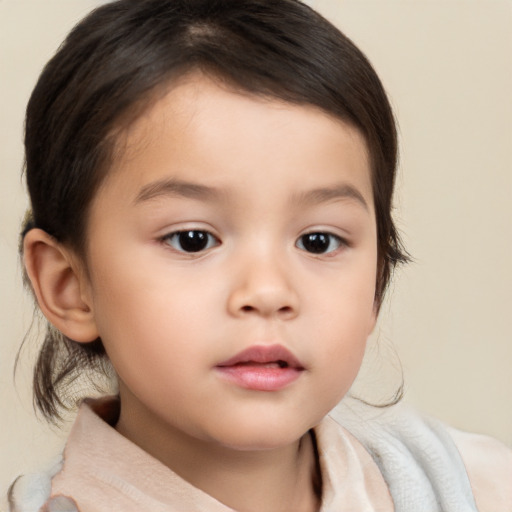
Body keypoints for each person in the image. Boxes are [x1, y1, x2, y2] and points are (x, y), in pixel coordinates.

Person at [7, 0, 512, 511]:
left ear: (377, 279)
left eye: (319, 241)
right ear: (68, 285)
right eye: (193, 239)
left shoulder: (473, 487)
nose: (269, 292)